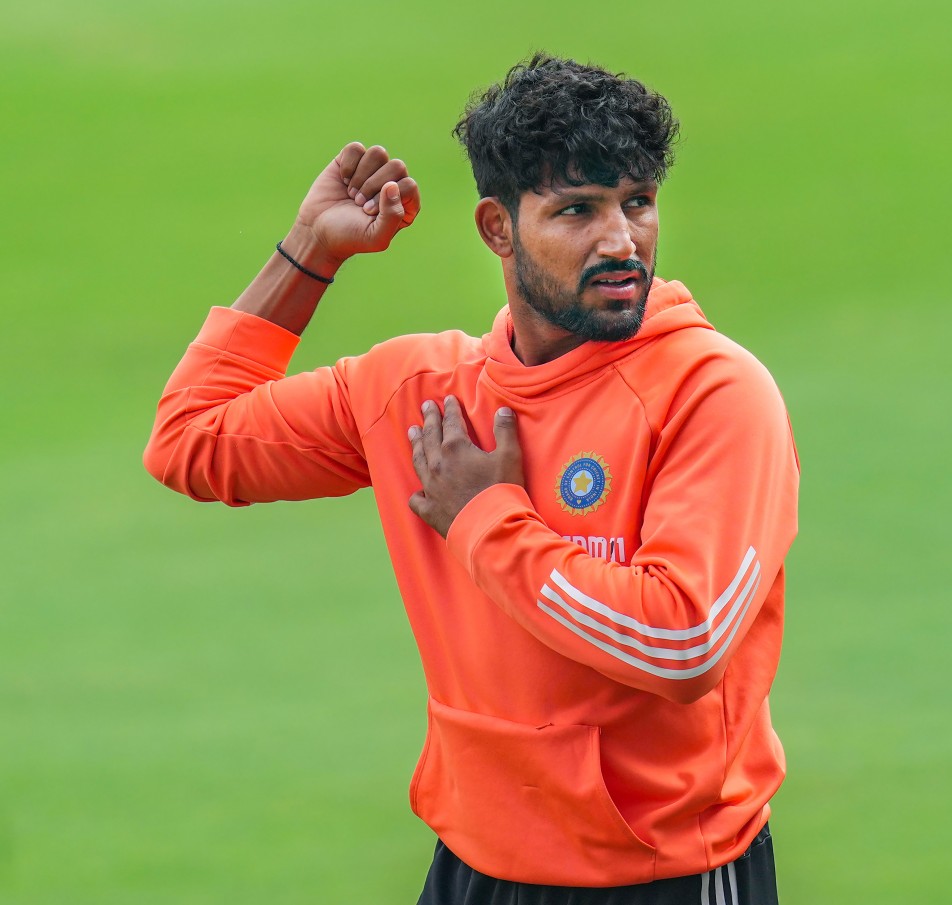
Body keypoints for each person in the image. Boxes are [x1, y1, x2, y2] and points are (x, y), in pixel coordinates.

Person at [144, 54, 799, 904]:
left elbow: (685, 644)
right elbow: (190, 439)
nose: (621, 242)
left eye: (638, 202)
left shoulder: (714, 393)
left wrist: (486, 516)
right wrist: (309, 252)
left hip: (665, 877)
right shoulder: (421, 396)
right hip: (474, 868)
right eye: (578, 210)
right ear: (497, 228)